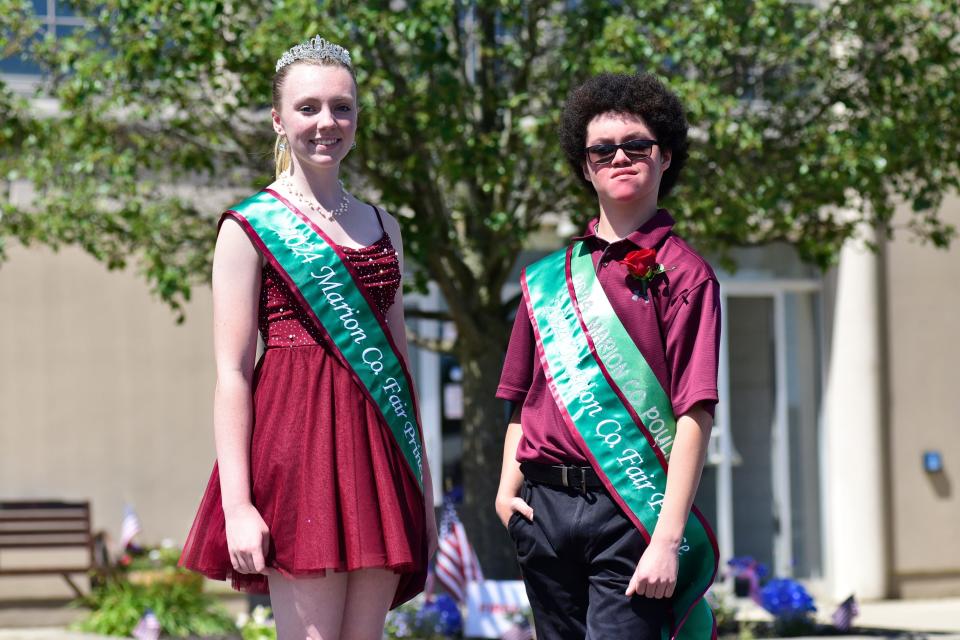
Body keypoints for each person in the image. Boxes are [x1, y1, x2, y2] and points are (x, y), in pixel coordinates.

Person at [179, 35, 437, 640]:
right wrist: (239, 506)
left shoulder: (385, 226)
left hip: (377, 455)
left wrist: (423, 497)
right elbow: (232, 373)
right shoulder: (249, 227)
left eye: (342, 107)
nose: (328, 121)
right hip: (296, 452)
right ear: (278, 119)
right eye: (308, 107)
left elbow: (396, 365)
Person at [494, 72, 720, 639]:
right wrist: (506, 490)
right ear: (585, 164)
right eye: (602, 149)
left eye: (636, 145)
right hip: (542, 509)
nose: (620, 157)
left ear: (665, 157)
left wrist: (667, 539)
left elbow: (695, 412)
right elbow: (521, 398)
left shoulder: (687, 275)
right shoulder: (545, 279)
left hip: (631, 509)